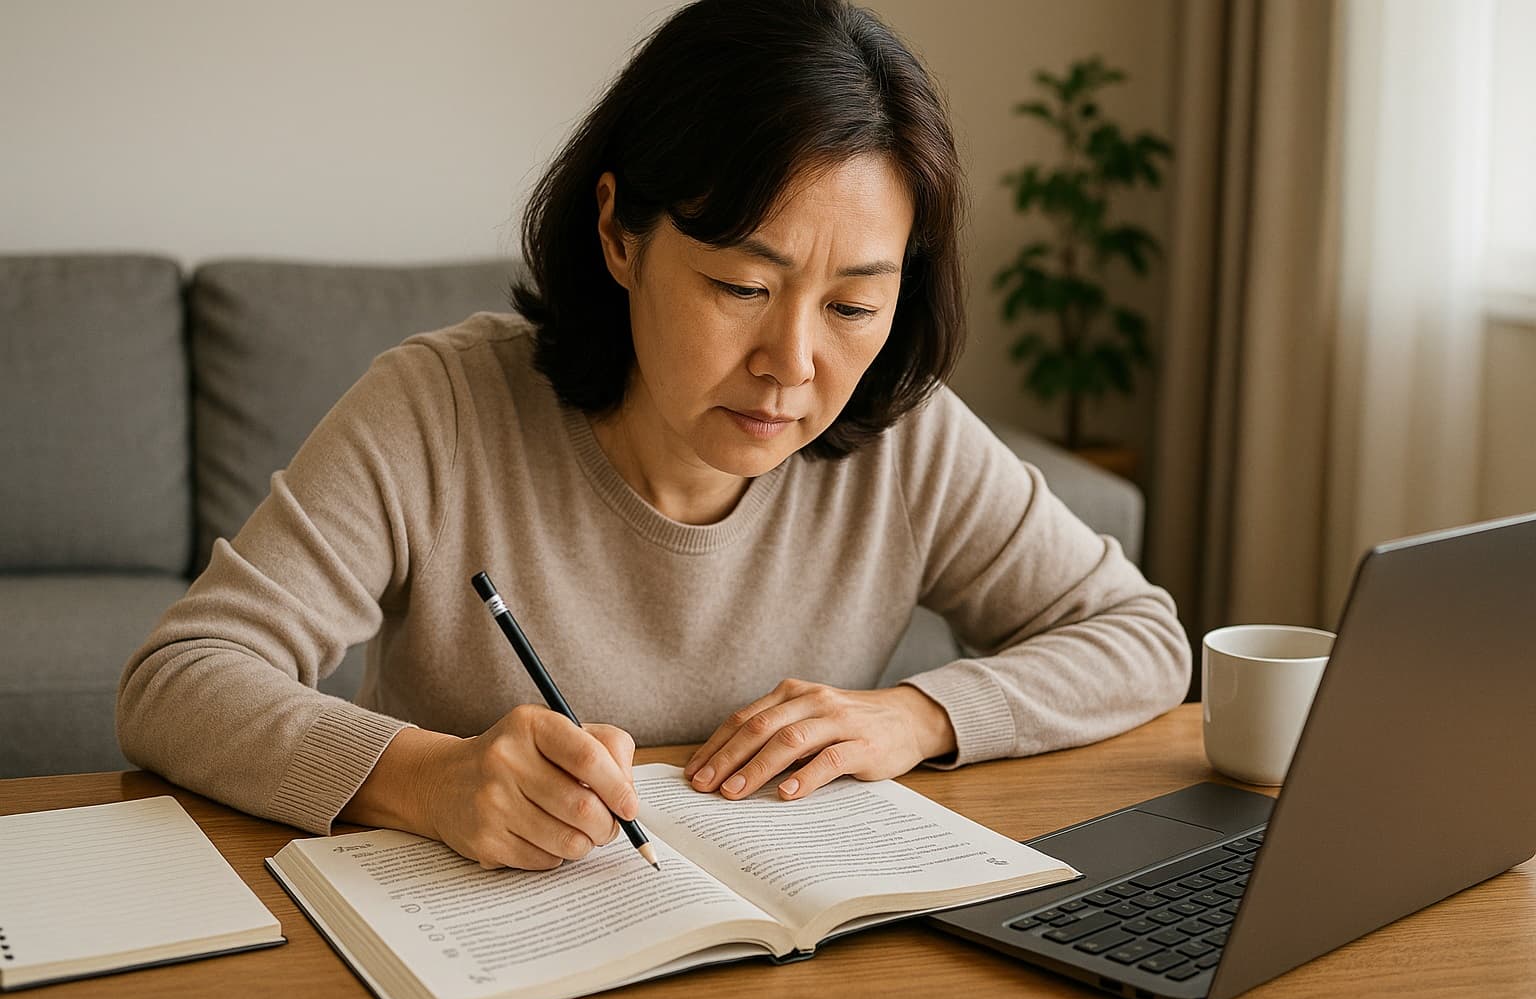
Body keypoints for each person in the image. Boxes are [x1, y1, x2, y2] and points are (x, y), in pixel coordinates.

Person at [117, 0, 1189, 872]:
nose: (794, 362)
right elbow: (180, 680)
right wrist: (426, 777)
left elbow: (1141, 638)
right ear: (619, 231)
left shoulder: (904, 439)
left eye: (855, 306)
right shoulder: (438, 408)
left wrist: (918, 715)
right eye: (741, 285)